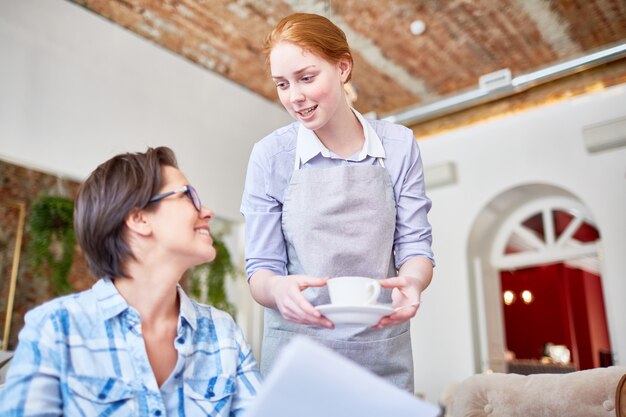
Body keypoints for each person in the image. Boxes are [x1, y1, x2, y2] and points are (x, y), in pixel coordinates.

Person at [240, 13, 434, 391]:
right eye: (282, 84)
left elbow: (415, 247)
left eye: (306, 78)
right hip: (298, 360)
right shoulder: (270, 156)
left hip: (381, 356)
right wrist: (277, 290)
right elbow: (262, 269)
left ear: (343, 67)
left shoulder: (398, 146)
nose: (294, 97)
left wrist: (413, 282)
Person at [0, 147, 261, 416]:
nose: (207, 211)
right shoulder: (55, 330)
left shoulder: (223, 334)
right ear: (138, 218)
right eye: (187, 196)